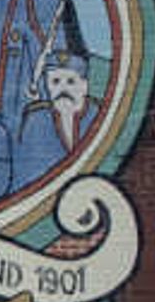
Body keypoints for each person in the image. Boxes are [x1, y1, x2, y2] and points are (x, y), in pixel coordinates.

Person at [6, 47, 103, 195]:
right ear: (47, 85)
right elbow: (24, 173)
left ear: (84, 86)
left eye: (71, 81)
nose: (62, 89)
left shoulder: (99, 116)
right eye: (55, 81)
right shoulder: (36, 119)